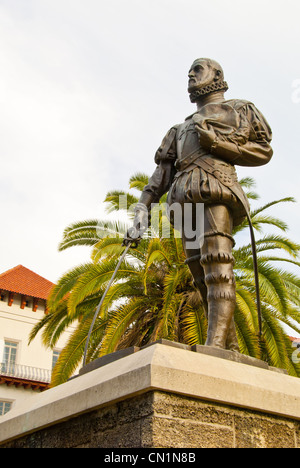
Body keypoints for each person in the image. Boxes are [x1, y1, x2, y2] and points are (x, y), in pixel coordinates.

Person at [123, 58, 273, 351]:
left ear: (217, 75)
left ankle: (215, 344)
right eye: (189, 72)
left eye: (198, 69)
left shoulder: (239, 110)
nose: (191, 75)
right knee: (201, 277)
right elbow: (160, 177)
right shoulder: (179, 130)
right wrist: (141, 211)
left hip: (216, 191)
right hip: (183, 205)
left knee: (217, 267)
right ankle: (228, 348)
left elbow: (263, 150)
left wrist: (217, 144)